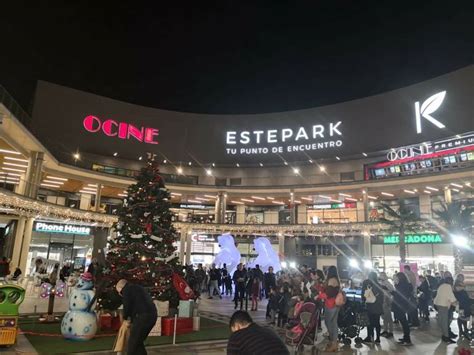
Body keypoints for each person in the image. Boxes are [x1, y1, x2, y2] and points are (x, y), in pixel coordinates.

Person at [116, 279, 158, 355]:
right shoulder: (138, 288)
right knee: (138, 341)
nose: (120, 294)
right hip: (153, 315)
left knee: (132, 343)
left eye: (119, 292)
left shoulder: (126, 290)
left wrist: (125, 318)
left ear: (120, 288)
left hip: (142, 317)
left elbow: (127, 306)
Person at [318, 265, 341, 352]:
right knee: (333, 323)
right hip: (335, 304)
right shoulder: (336, 280)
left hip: (331, 304)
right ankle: (334, 342)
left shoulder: (332, 280)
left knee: (328, 323)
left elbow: (329, 294)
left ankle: (333, 342)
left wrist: (319, 295)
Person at [362, 271, 384, 343]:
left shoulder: (366, 283)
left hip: (369, 306)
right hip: (377, 306)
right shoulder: (378, 285)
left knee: (369, 322)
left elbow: (363, 294)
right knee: (377, 322)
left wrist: (363, 302)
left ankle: (370, 336)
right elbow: (382, 296)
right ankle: (378, 338)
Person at [434, 276, 457, 343]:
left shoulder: (442, 285)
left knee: (442, 321)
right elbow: (451, 297)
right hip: (443, 305)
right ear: (450, 281)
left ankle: (445, 335)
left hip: (438, 304)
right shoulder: (448, 287)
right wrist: (456, 304)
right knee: (444, 322)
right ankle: (446, 337)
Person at [378, 272, 394, 338]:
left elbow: (392, 291)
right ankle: (385, 330)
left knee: (388, 317)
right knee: (384, 317)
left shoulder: (388, 283)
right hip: (382, 301)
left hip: (387, 302)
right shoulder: (381, 283)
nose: (380, 276)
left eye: (381, 275)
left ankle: (390, 331)